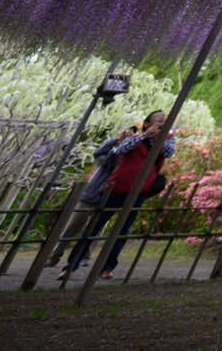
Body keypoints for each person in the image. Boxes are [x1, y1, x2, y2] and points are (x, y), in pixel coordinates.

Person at [61, 110, 176, 280]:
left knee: (122, 229)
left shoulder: (167, 138)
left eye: (163, 120)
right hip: (117, 187)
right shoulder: (133, 136)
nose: (161, 121)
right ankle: (71, 265)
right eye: (157, 119)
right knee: (95, 225)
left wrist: (156, 137)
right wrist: (145, 135)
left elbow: (168, 152)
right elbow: (121, 149)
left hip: (140, 190)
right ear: (146, 123)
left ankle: (107, 267)